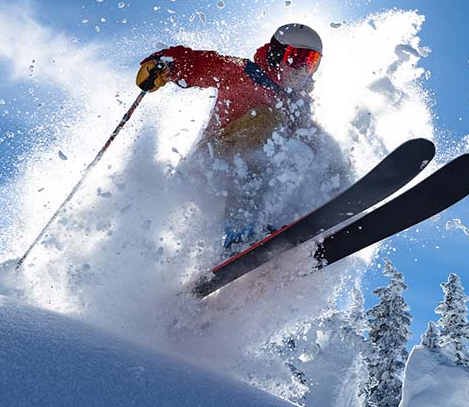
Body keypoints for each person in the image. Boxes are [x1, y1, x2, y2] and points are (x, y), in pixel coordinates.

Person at [136, 23, 347, 252]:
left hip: (241, 183)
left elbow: (316, 148)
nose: (302, 70)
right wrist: (165, 65)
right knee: (266, 119)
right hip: (210, 162)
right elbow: (200, 63)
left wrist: (336, 176)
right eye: (297, 59)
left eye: (311, 63)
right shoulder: (242, 73)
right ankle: (241, 231)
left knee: (321, 146)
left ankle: (308, 214)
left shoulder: (297, 106)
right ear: (277, 53)